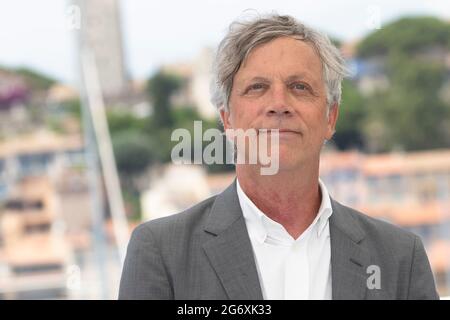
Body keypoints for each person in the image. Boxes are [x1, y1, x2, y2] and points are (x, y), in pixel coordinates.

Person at [119, 13, 439, 300]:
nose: (279, 103)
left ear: (330, 117)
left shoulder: (399, 259)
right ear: (227, 119)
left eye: (299, 87)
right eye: (257, 87)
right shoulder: (162, 253)